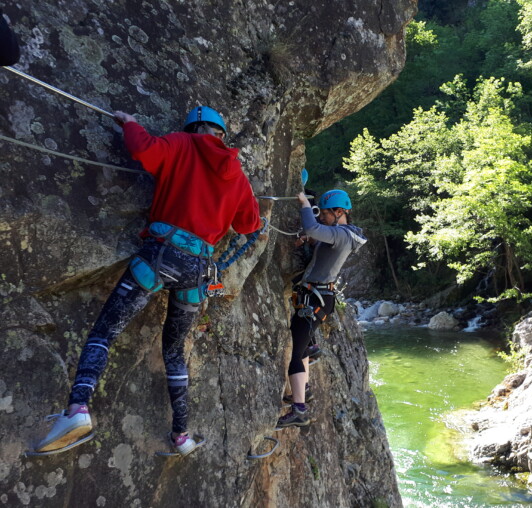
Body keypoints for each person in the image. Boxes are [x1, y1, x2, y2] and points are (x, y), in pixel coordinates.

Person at [35, 106, 261, 455]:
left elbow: (144, 149)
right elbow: (248, 225)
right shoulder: (237, 173)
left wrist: (130, 122)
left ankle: (77, 409)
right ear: (220, 134)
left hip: (161, 255)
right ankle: (182, 437)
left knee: (104, 333)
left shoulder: (182, 143)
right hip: (196, 270)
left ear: (193, 128)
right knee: (173, 351)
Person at [277, 189, 367, 428]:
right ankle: (303, 391)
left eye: (326, 214)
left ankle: (299, 409)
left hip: (315, 299)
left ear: (340, 213)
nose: (322, 217)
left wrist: (305, 204)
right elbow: (319, 237)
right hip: (316, 297)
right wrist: (309, 240)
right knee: (304, 347)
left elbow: (313, 229)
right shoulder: (344, 234)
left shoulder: (341, 234)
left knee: (296, 353)